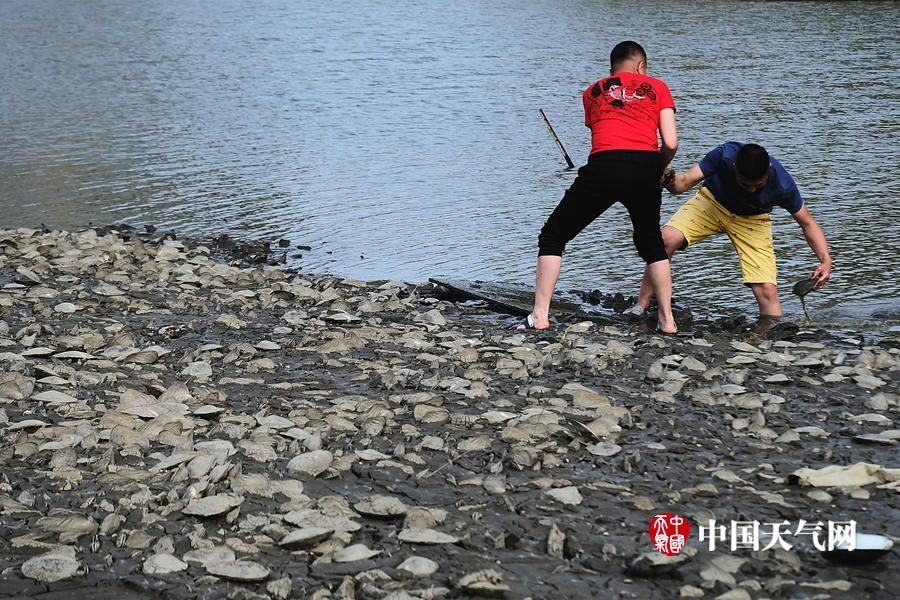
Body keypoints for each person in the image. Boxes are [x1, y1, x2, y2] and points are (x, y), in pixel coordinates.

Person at [521, 41, 679, 333]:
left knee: (554, 234)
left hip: (605, 165)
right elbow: (670, 142)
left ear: (611, 69)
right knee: (651, 243)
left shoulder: (592, 91)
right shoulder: (658, 86)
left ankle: (540, 317)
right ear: (642, 66)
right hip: (646, 165)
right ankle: (667, 321)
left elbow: (606, 132)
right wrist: (660, 167)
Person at [632, 142, 832, 318]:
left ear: (768, 169)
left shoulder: (782, 184)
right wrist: (669, 179)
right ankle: (642, 304)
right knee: (666, 239)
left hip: (753, 219)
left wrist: (825, 260)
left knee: (766, 290)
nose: (752, 190)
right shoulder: (724, 155)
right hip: (712, 203)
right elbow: (681, 185)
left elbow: (807, 223)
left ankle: (773, 337)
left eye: (759, 185)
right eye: (746, 184)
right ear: (734, 167)